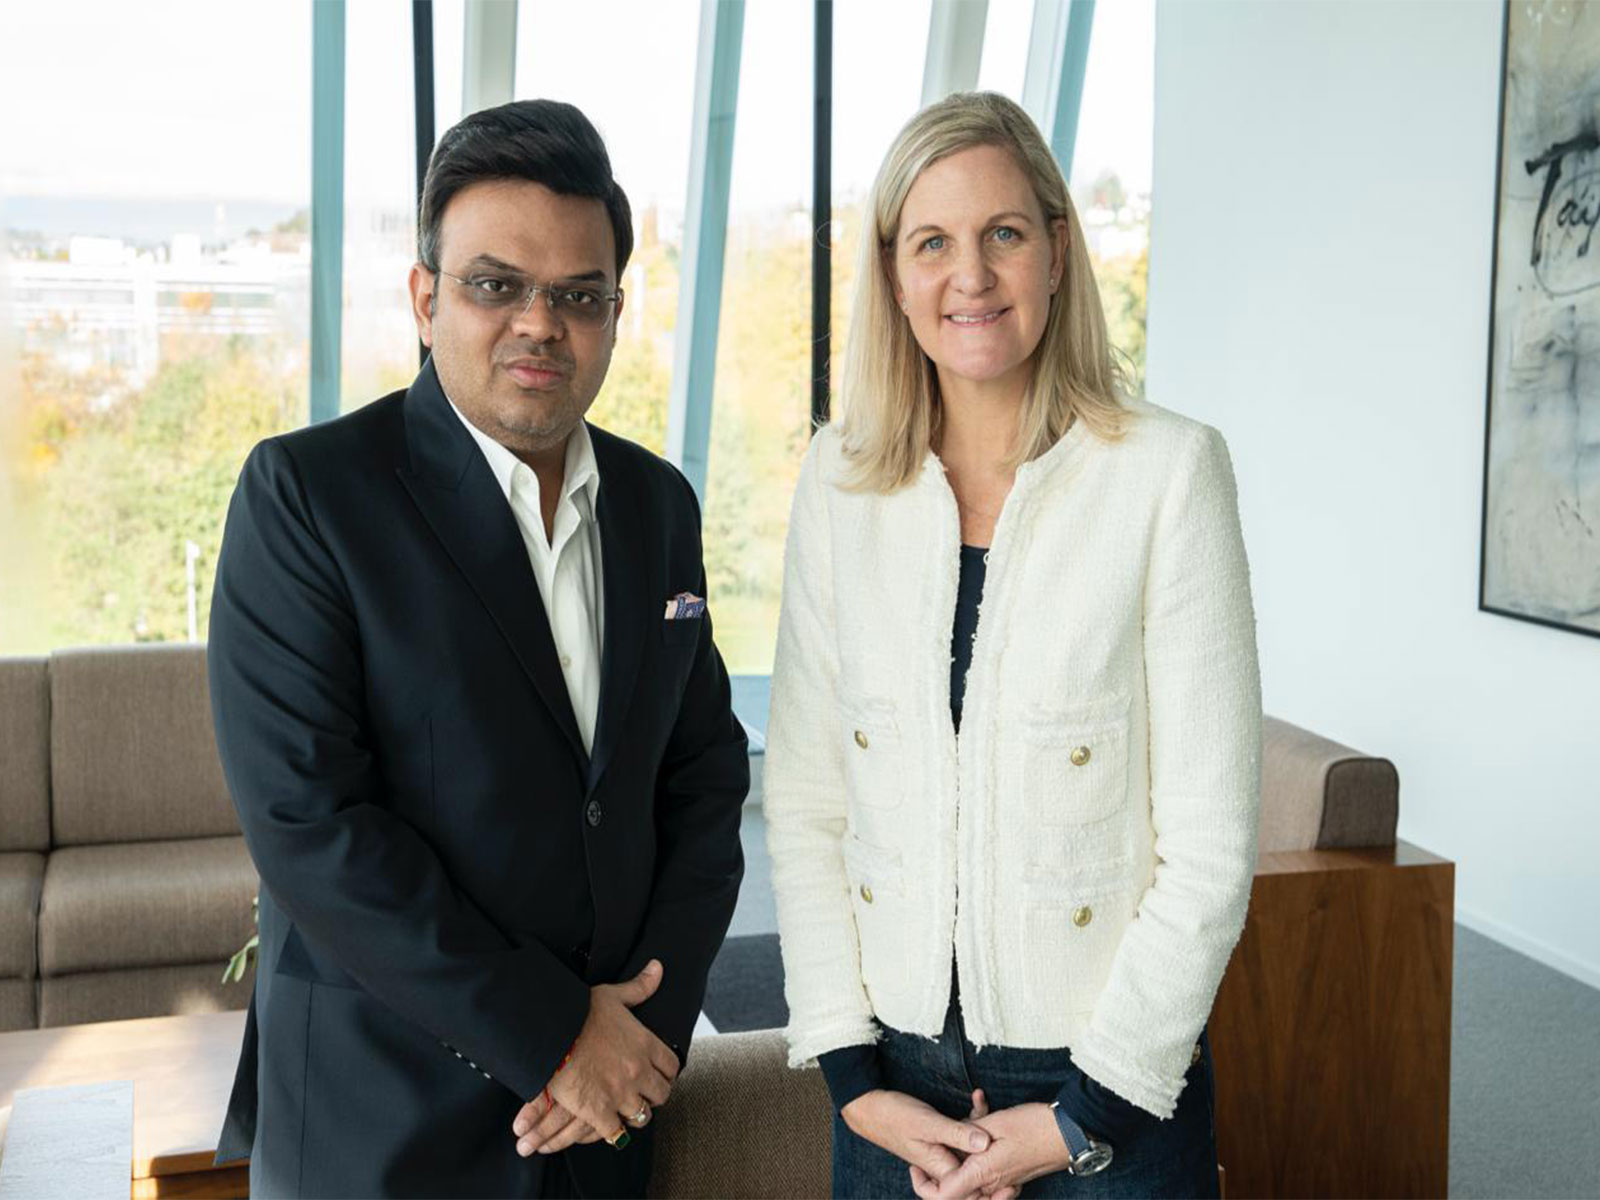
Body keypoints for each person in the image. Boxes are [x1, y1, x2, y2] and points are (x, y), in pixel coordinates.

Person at [207, 98, 748, 1199]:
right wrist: (557, 1037)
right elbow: (312, 826)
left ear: (612, 312)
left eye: (578, 295)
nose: (539, 324)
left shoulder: (656, 505)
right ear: (425, 299)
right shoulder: (308, 496)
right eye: (495, 284)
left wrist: (643, 1036)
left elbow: (702, 777)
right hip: (383, 1130)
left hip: (605, 1122)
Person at [764, 91, 1261, 1200]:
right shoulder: (840, 480)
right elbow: (805, 803)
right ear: (893, 275)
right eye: (931, 243)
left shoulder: (1167, 474)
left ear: (1056, 251)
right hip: (892, 1090)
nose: (970, 277)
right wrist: (849, 1075)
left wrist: (1083, 1116)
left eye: (1003, 234)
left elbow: (1211, 849)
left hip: (1109, 1087)